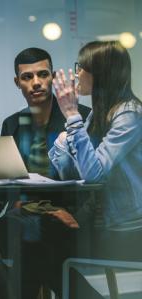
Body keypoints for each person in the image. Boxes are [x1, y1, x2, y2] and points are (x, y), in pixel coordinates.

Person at [50, 40, 142, 298]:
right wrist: (63, 140)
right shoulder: (98, 113)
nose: (77, 73)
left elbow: (93, 174)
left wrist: (70, 115)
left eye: (82, 67)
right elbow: (69, 173)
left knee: (46, 253)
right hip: (101, 220)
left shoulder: (130, 115)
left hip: (129, 229)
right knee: (38, 245)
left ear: (101, 73)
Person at [0, 47, 91, 298]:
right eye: (27, 77)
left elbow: (94, 176)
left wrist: (67, 212)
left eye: (42, 74)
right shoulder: (12, 124)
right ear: (17, 83)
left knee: (35, 245)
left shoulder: (79, 117)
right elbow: (8, 180)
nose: (36, 82)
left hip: (71, 215)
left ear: (52, 77)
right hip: (28, 216)